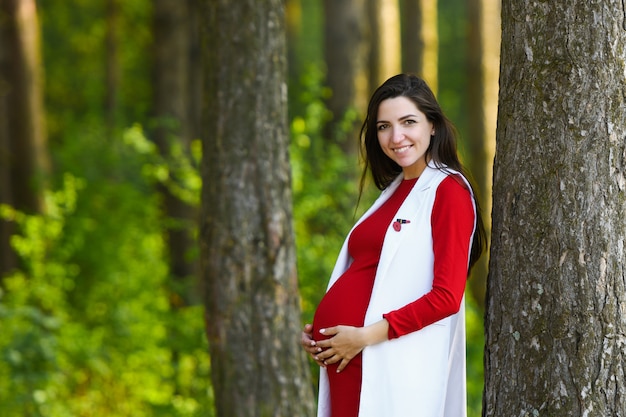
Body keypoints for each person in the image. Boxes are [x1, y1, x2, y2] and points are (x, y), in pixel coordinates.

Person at [300, 73, 486, 417]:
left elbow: (447, 297)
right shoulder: (395, 191)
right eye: (384, 126)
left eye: (408, 122)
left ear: (432, 125)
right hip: (352, 361)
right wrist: (323, 336)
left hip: (387, 363)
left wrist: (363, 336)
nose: (395, 136)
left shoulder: (448, 191)